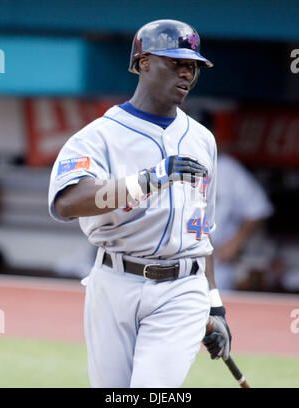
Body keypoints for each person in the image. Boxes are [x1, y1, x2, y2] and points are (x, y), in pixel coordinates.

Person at [48, 19, 231, 388]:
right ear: (144, 61)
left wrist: (214, 307)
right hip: (113, 282)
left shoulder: (202, 139)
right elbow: (68, 202)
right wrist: (148, 180)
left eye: (192, 66)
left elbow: (202, 231)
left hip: (182, 288)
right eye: (176, 62)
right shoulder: (99, 136)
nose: (186, 72)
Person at [213, 151, 274, 290]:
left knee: (215, 307)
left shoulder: (225, 168)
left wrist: (236, 242)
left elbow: (258, 207)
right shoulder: (171, 162)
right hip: (177, 259)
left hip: (217, 260)